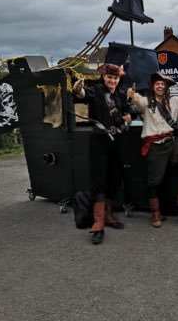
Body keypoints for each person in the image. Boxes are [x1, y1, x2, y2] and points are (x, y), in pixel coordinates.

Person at [127, 71, 178, 228]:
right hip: (154, 145)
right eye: (157, 83)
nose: (160, 86)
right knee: (154, 182)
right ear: (153, 86)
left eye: (162, 83)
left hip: (171, 142)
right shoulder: (146, 101)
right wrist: (132, 95)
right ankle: (155, 214)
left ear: (166, 87)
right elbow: (138, 104)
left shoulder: (174, 100)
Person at [73, 63, 133, 244]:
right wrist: (78, 90)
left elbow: (128, 110)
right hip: (99, 142)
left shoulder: (121, 94)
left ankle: (109, 215)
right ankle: (98, 222)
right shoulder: (96, 91)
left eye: (115, 78)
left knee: (114, 178)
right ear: (104, 77)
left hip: (117, 143)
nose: (112, 80)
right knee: (99, 180)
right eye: (109, 77)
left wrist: (129, 115)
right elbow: (83, 95)